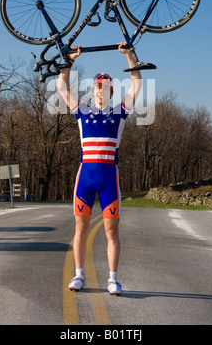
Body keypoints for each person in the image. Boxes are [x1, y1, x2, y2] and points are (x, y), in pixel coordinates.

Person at [57, 42, 142, 295]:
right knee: (80, 229)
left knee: (110, 231)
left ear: (111, 91)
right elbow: (61, 86)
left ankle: (113, 279)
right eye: (96, 87)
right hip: (85, 177)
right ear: (92, 92)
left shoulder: (120, 113)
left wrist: (129, 55)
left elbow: (137, 84)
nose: (99, 90)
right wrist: (69, 60)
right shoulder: (82, 112)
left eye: (104, 87)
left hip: (108, 179)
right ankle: (79, 275)